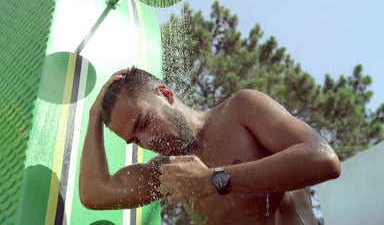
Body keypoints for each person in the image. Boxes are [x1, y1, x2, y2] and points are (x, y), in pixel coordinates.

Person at [79, 67, 341, 225]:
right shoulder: (171, 172)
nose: (147, 142)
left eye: (145, 122)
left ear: (166, 94)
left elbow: (322, 159)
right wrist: (94, 115)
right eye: (135, 140)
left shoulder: (240, 110)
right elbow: (96, 193)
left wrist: (214, 179)